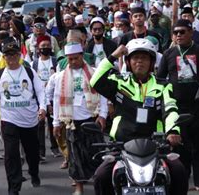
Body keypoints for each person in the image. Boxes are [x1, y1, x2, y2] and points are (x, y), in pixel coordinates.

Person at [91, 38, 187, 195]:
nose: (139, 62)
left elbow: (170, 109)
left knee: (179, 170)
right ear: (128, 62)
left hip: (156, 145)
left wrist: (173, 131)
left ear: (152, 62)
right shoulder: (119, 82)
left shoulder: (163, 86)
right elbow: (95, 81)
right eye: (135, 58)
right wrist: (113, 56)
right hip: (121, 146)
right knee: (101, 175)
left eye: (144, 58)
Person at [157, 19, 199, 191]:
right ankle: (182, 181)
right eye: (176, 32)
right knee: (180, 147)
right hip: (177, 108)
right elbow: (160, 79)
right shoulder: (168, 54)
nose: (179, 35)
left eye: (182, 32)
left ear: (191, 32)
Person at [0, 38, 46, 195]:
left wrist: (42, 107)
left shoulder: (28, 72)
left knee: (32, 152)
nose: (11, 57)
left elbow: (40, 91)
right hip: (9, 120)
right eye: (7, 54)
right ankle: (14, 187)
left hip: (29, 119)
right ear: (3, 57)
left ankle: (34, 173)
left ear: (19, 55)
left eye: (14, 54)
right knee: (11, 155)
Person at [51, 42, 108, 195]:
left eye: (76, 58)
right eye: (70, 59)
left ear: (82, 56)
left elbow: (102, 95)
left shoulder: (94, 72)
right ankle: (79, 187)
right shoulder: (60, 77)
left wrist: (103, 115)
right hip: (71, 122)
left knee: (96, 154)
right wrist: (56, 122)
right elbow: (57, 100)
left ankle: (98, 185)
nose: (73, 62)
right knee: (75, 157)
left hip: (91, 119)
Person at [31, 35, 58, 162]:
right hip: (39, 97)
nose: (45, 48)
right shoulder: (34, 63)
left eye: (47, 46)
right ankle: (41, 151)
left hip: (53, 95)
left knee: (53, 122)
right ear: (38, 49)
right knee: (40, 123)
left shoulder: (55, 61)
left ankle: (55, 147)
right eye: (43, 46)